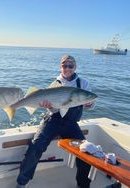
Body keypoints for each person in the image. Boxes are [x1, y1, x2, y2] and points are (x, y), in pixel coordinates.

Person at [16, 55, 94, 188]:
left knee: (85, 151)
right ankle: (22, 183)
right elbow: (54, 110)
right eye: (65, 65)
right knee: (35, 147)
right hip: (52, 120)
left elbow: (90, 102)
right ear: (61, 67)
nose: (67, 68)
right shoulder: (54, 84)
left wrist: (89, 104)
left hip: (71, 123)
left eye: (70, 66)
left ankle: (83, 185)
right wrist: (50, 107)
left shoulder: (83, 83)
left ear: (75, 67)